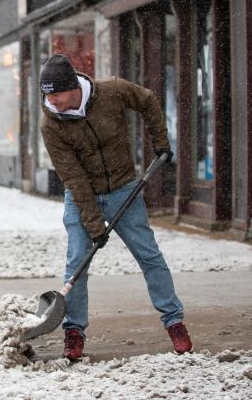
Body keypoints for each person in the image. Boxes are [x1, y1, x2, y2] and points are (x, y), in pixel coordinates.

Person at [38, 54, 192, 361]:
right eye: (47, 95)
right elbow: (74, 178)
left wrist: (160, 141)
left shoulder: (111, 91)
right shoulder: (51, 125)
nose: (51, 101)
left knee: (149, 255)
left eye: (56, 94)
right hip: (83, 193)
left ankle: (174, 322)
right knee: (76, 264)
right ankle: (73, 331)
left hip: (124, 188)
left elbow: (147, 100)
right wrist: (95, 226)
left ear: (72, 88)